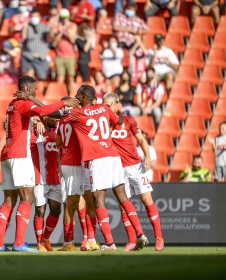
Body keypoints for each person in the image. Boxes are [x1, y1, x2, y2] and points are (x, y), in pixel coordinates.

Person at [0, 75, 79, 252]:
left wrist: (34, 100)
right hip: (19, 154)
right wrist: (64, 103)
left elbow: (44, 112)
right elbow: (43, 111)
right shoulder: (23, 104)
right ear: (29, 89)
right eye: (35, 90)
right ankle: (18, 243)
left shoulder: (12, 104)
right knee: (27, 198)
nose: (37, 92)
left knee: (9, 200)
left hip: (6, 154)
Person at [66, 85, 148, 251]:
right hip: (113, 156)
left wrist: (64, 104)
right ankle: (140, 233)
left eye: (77, 95)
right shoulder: (103, 108)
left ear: (82, 97)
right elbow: (119, 122)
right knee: (123, 197)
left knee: (99, 200)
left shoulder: (77, 113)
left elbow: (55, 115)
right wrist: (117, 112)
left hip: (98, 159)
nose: (75, 98)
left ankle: (109, 243)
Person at [105, 93, 164, 251]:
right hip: (118, 169)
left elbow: (142, 140)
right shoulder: (104, 124)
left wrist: (148, 157)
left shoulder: (129, 120)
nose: (105, 108)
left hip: (135, 166)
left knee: (146, 200)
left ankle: (158, 237)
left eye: (108, 104)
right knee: (123, 205)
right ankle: (132, 240)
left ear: (117, 105)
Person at [56, 97, 100, 251]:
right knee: (74, 203)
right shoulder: (77, 119)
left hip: (72, 163)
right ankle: (71, 242)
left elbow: (59, 143)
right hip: (75, 164)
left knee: (81, 202)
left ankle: (85, 241)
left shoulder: (61, 121)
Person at [32, 117, 62, 251]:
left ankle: (45, 239)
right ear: (44, 118)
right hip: (40, 178)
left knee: (56, 211)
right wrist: (36, 122)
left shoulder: (58, 131)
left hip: (56, 178)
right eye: (53, 117)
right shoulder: (37, 131)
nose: (56, 120)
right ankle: (39, 243)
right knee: (40, 210)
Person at [20, 10, 52, 81]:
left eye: (36, 16)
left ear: (40, 17)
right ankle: (29, 92)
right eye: (33, 16)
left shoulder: (44, 27)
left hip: (41, 56)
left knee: (41, 78)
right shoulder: (27, 26)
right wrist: (24, 27)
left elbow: (49, 37)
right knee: (29, 77)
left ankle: (37, 92)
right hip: (28, 56)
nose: (34, 18)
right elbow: (23, 37)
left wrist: (52, 29)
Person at [52, 9, 77, 92]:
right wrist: (60, 32)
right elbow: (54, 43)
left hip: (70, 56)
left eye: (65, 17)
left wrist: (68, 32)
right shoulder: (57, 26)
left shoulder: (73, 25)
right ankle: (60, 96)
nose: (64, 19)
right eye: (62, 17)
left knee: (70, 77)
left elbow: (73, 41)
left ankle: (72, 96)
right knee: (60, 77)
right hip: (59, 56)